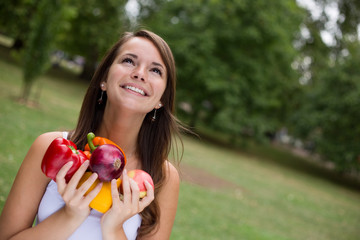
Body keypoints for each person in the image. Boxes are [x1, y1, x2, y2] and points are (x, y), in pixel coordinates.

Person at [0, 29, 186, 240]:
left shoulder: (162, 178)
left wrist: (114, 229)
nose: (140, 73)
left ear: (161, 98)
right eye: (128, 61)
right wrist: (69, 217)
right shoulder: (50, 146)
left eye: (155, 71)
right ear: (103, 79)